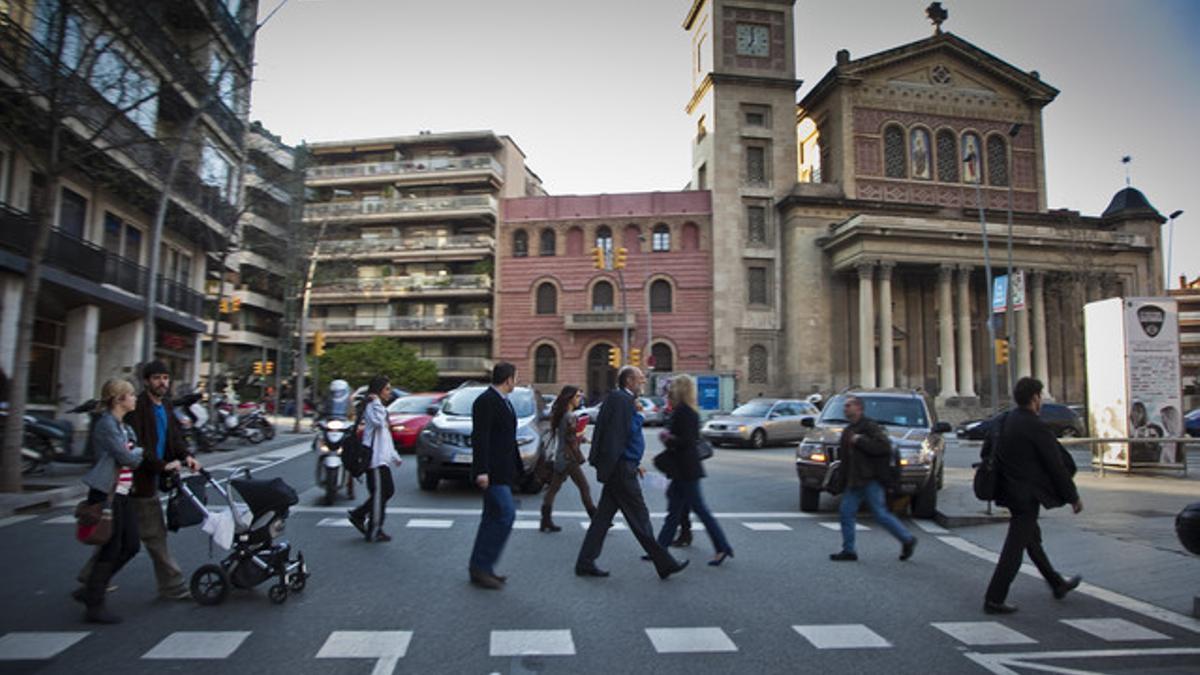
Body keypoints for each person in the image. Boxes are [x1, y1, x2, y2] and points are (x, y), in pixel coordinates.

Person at [78, 361, 199, 601]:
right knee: (153, 536)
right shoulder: (137, 407)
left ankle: (91, 578)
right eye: (157, 378)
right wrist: (162, 465)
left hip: (144, 479)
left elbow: (174, 438)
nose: (162, 382)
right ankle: (172, 585)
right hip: (135, 481)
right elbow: (137, 449)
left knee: (116, 537)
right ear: (146, 381)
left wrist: (186, 456)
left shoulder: (165, 405)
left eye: (165, 377)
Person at [576, 366, 688, 580]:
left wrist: (630, 462)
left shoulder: (619, 399)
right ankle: (664, 563)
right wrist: (627, 461)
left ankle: (585, 562)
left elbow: (617, 435)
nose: (643, 382)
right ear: (628, 381)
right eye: (640, 379)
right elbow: (621, 434)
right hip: (621, 470)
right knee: (640, 517)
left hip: (620, 466)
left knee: (602, 519)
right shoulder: (623, 401)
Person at [982, 377, 1083, 615]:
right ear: (1035, 398)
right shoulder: (1035, 425)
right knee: (1014, 549)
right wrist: (1073, 497)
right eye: (1040, 396)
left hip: (1007, 491)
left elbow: (987, 450)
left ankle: (1056, 583)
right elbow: (1055, 465)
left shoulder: (1005, 419)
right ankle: (994, 598)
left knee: (1031, 540)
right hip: (1026, 496)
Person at [75, 379, 145, 623]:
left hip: (123, 493)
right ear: (119, 399)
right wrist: (138, 453)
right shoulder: (106, 424)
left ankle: (92, 588)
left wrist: (135, 453)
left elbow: (132, 453)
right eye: (131, 395)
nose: (135, 398)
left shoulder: (123, 426)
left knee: (131, 545)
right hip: (107, 493)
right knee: (111, 546)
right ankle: (94, 602)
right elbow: (128, 456)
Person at [654, 375, 733, 566]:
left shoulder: (685, 412)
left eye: (673, 386)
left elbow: (687, 441)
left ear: (680, 389)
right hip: (684, 469)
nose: (670, 390)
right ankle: (658, 550)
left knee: (699, 510)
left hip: (686, 470)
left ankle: (722, 547)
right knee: (674, 512)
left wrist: (667, 438)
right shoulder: (685, 410)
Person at [829, 395, 918, 562]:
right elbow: (845, 460)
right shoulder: (848, 430)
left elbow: (883, 447)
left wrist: (860, 440)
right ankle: (849, 550)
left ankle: (907, 539)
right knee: (846, 512)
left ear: (859, 408)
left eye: (849, 406)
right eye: (845, 406)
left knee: (879, 514)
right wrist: (839, 483)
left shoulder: (870, 427)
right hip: (855, 480)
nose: (845, 408)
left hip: (871, 479)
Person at [468, 363, 524, 589]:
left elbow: (508, 438)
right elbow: (480, 437)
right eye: (515, 378)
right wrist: (482, 470)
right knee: (505, 515)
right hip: (492, 472)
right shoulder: (486, 401)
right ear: (508, 379)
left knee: (492, 518)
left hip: (503, 470)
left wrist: (519, 469)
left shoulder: (504, 401)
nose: (516, 382)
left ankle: (481, 567)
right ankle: (482, 566)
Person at [348, 376, 402, 542]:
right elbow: (378, 423)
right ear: (378, 391)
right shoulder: (372, 407)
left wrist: (394, 455)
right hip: (374, 461)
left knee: (387, 491)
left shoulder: (380, 408)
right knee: (380, 494)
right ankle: (374, 529)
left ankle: (359, 514)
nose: (390, 392)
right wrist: (377, 402)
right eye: (387, 389)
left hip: (382, 460)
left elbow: (385, 436)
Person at [540, 385, 597, 532]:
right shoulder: (570, 416)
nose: (580, 399)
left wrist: (580, 437)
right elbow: (571, 439)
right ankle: (597, 520)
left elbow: (568, 436)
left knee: (553, 489)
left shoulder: (563, 414)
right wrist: (579, 438)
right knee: (584, 487)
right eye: (577, 396)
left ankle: (545, 521)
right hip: (568, 458)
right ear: (570, 398)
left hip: (561, 457)